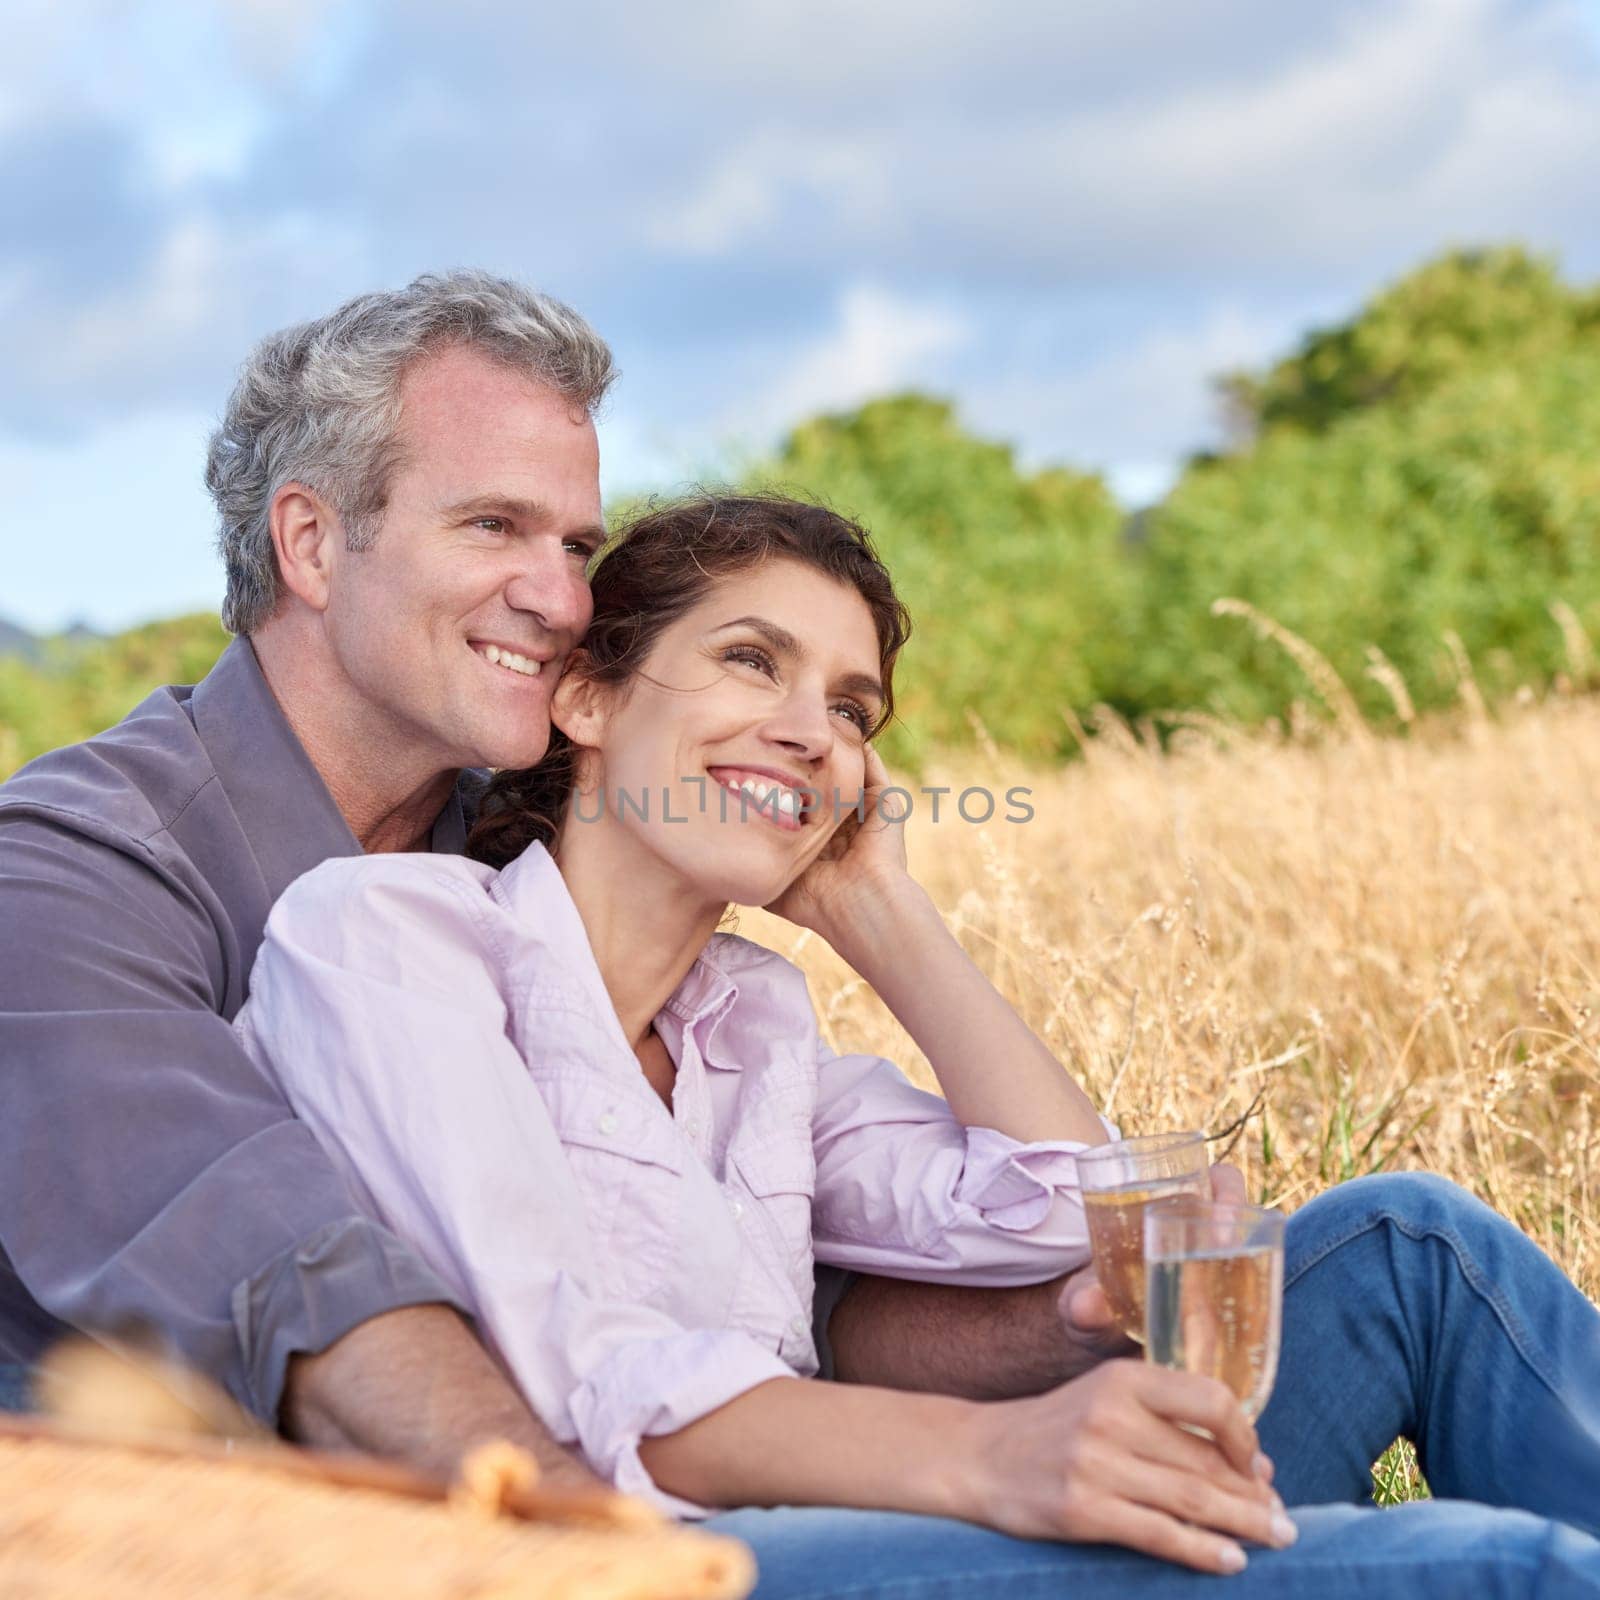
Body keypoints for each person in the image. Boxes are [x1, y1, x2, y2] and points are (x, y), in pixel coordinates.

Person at [233, 492, 1600, 1596]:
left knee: (1403, 1248)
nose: (808, 731)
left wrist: (876, 908)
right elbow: (577, 1373)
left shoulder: (752, 1024)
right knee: (1501, 1573)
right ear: (586, 700)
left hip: (876, 1517)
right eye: (752, 661)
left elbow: (1066, 1216)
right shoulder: (390, 941)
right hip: (657, 1564)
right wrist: (997, 1459)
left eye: (849, 711)